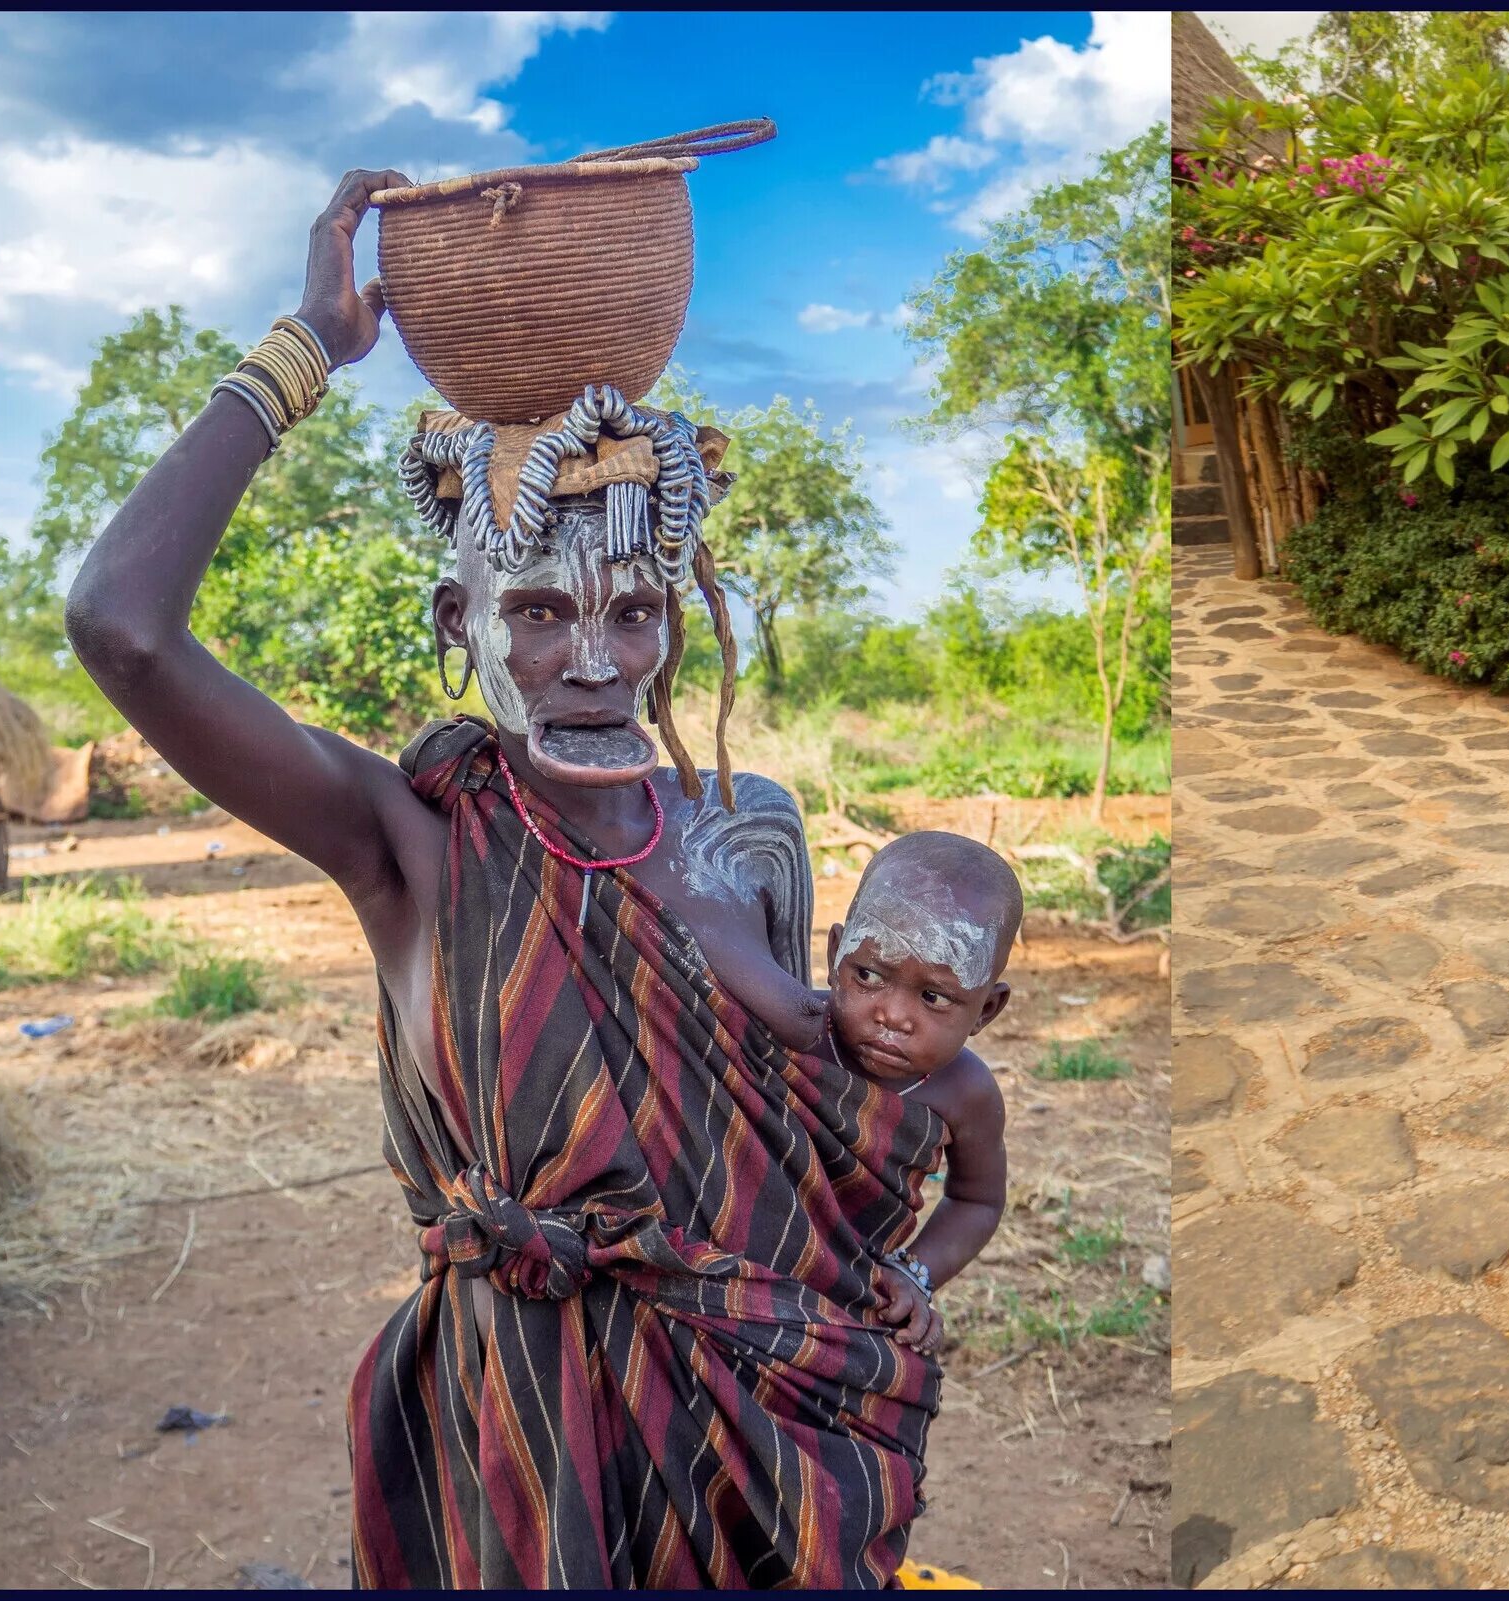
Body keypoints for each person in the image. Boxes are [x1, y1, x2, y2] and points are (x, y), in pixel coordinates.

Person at [64, 171, 953, 1588]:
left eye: (632, 611)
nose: (590, 662)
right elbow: (121, 626)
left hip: (749, 1438)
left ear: (673, 621)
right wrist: (306, 351)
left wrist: (902, 1269)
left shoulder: (752, 834)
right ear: (457, 619)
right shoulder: (407, 839)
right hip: (511, 1426)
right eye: (537, 613)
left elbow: (817, 1148)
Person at [812, 832, 1019, 1357]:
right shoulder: (792, 1034)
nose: (893, 1016)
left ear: (986, 1011)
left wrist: (912, 1274)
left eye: (934, 996)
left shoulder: (966, 1093)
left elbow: (977, 1200)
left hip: (853, 1308)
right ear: (835, 954)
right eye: (868, 974)